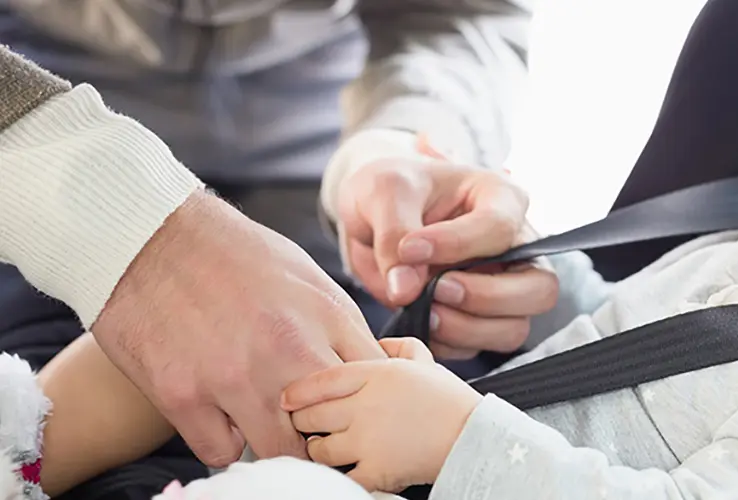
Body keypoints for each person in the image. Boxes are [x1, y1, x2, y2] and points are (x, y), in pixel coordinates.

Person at [0, 0, 738, 498]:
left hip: (466, 458)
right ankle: (21, 453)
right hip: (446, 429)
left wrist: (461, 439)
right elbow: (626, 337)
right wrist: (545, 297)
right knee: (195, 333)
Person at [0, 32, 574, 487]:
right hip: (45, 101)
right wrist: (127, 230)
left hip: (320, 145)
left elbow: (450, 14)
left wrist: (392, 147)